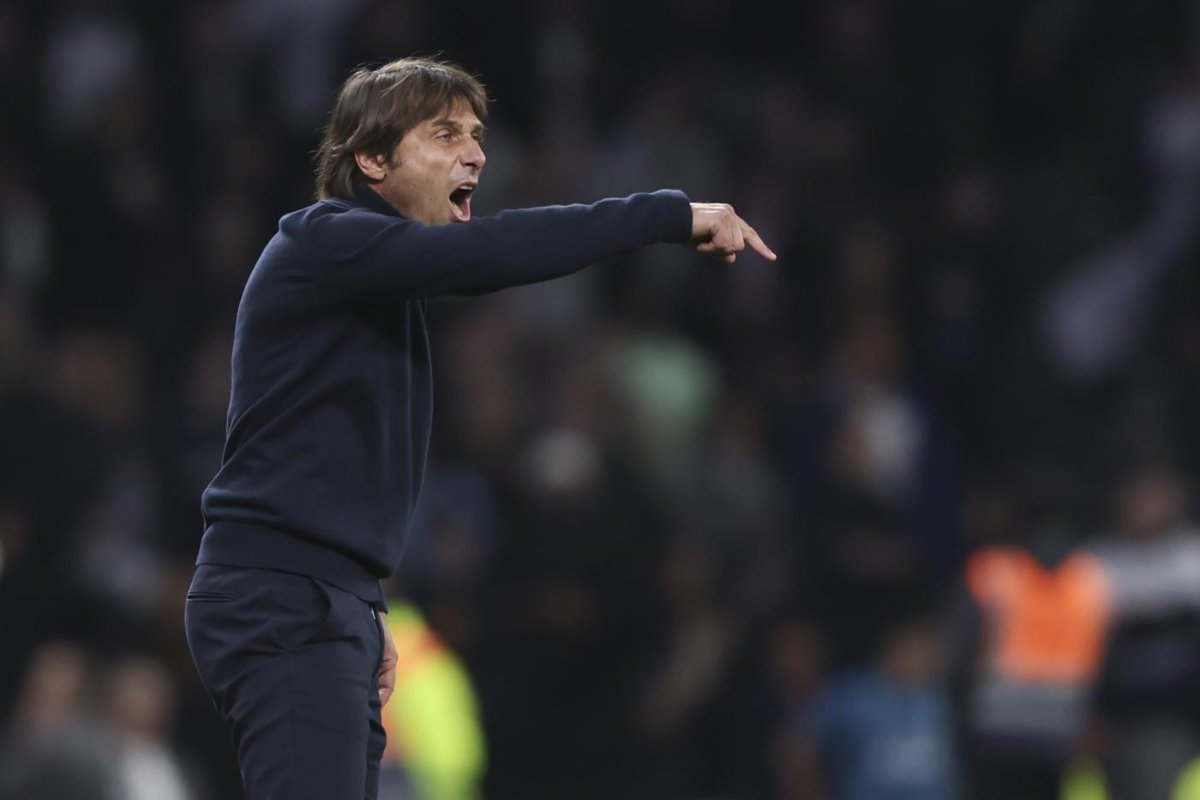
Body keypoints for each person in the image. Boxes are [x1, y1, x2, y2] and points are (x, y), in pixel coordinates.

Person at [183, 55, 776, 800]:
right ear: (372, 159)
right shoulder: (323, 240)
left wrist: (359, 598)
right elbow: (491, 252)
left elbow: (325, 464)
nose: (476, 154)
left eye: (476, 135)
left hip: (320, 594)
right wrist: (665, 215)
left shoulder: (368, 281)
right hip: (284, 595)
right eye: (445, 134)